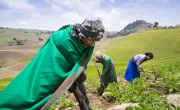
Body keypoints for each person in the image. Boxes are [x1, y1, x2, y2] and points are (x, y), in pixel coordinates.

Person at [0, 18, 105, 109]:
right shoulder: (61, 39)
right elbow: (54, 63)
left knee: (82, 96)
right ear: (83, 34)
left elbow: (82, 59)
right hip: (50, 74)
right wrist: (71, 86)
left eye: (95, 41)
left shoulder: (89, 41)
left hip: (74, 74)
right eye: (90, 40)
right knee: (39, 96)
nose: (92, 44)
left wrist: (80, 72)